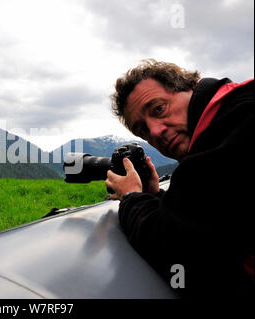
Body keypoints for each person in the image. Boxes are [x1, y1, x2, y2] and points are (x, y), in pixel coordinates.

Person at [105, 59, 253, 298]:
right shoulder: (234, 114)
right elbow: (209, 217)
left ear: (189, 88)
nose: (154, 132)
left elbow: (178, 249)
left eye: (159, 109)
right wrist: (155, 197)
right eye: (143, 130)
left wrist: (131, 196)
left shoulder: (234, 127)